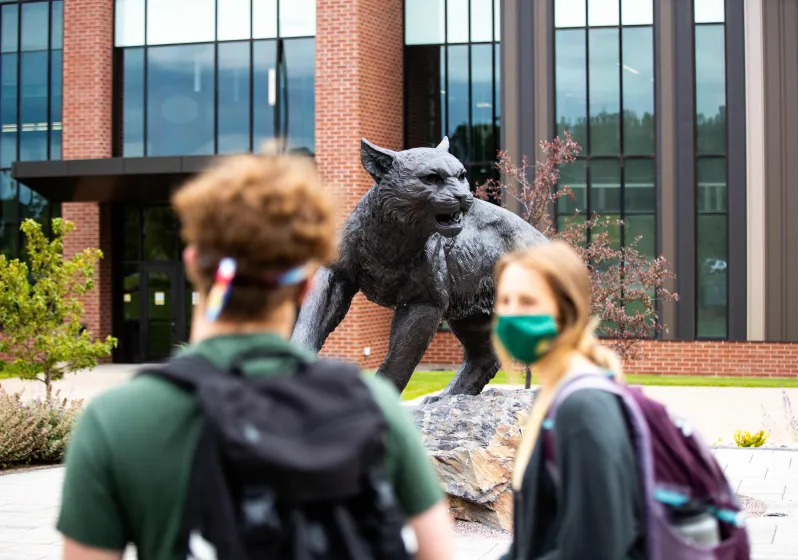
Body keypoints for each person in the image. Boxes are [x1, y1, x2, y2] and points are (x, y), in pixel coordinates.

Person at [56, 150, 454, 560]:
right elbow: (438, 552)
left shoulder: (118, 420)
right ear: (305, 285)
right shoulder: (373, 406)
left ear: (194, 264)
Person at [494, 241, 644, 560]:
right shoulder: (553, 396)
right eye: (504, 301)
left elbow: (597, 549)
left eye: (528, 302)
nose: (510, 315)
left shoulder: (583, 408)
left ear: (567, 310)